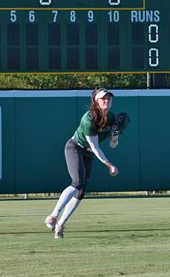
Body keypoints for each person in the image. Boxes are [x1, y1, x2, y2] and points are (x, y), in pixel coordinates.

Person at [44, 88, 122, 239]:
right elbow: (95, 147)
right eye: (103, 98)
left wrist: (115, 137)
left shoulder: (112, 117)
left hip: (88, 153)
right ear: (96, 101)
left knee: (81, 191)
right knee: (77, 182)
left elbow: (112, 145)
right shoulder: (89, 119)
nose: (107, 100)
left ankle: (60, 225)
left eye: (109, 98)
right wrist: (109, 164)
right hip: (74, 147)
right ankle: (53, 216)